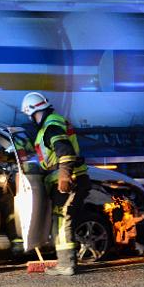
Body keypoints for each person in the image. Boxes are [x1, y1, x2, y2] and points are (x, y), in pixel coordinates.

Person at [21, 92, 90, 276]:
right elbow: (48, 156)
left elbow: (65, 151)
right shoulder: (50, 126)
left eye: (30, 115)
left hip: (70, 180)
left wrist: (64, 177)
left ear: (33, 111)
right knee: (63, 220)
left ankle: (66, 264)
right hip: (72, 178)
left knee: (62, 220)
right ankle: (67, 262)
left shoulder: (51, 126)